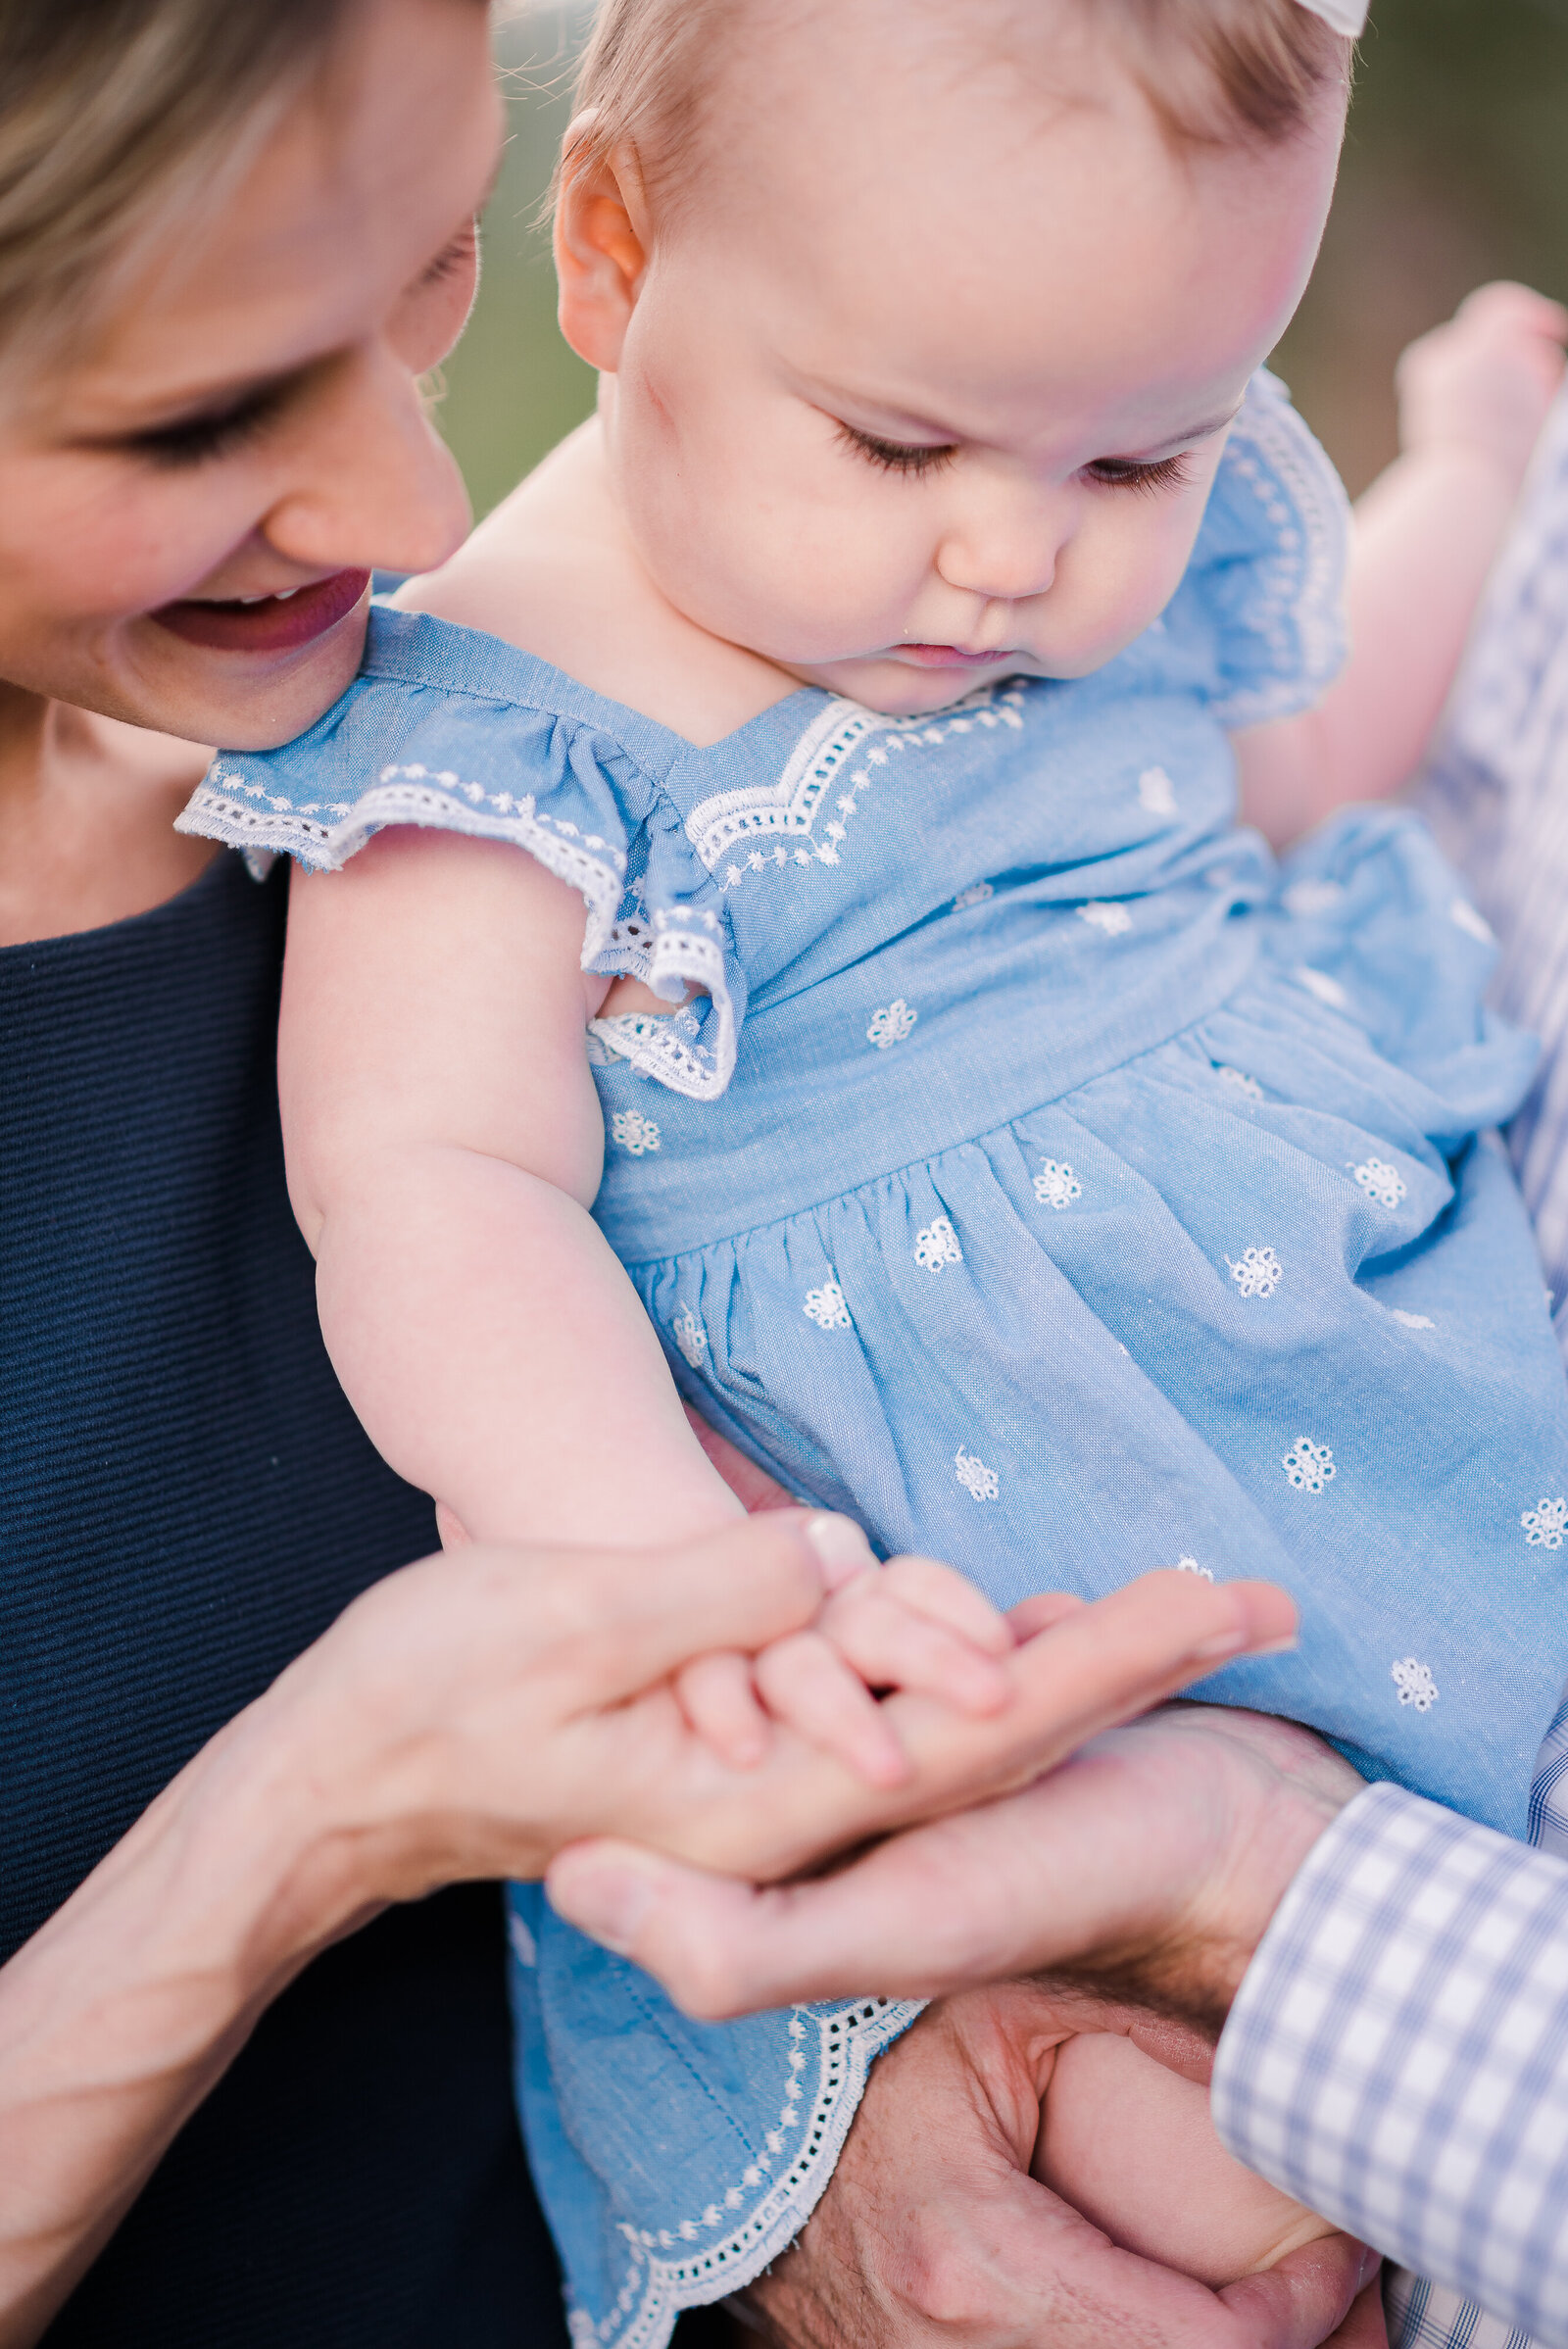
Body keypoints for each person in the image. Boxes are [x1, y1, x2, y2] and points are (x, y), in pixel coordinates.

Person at [175, 0, 1568, 2337]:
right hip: (974, 1647)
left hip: (1410, 1400)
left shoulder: (1045, 522)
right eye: (900, 439)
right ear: (610, 255)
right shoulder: (496, 735)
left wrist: (1466, 463)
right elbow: (432, 1194)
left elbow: (1307, 750)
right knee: (1217, 2205)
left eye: (1146, 461)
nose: (1013, 550)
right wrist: (691, 1586)